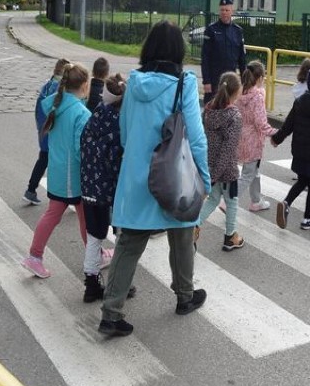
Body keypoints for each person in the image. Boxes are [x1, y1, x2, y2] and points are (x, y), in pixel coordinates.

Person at [99, 21, 210, 337]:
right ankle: (184, 296)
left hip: (137, 175)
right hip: (173, 174)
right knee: (182, 232)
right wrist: (204, 177)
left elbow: (123, 131)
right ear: (179, 51)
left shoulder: (133, 83)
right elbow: (196, 138)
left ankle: (111, 312)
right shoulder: (183, 85)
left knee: (129, 243)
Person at [21, 63, 91, 279]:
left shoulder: (55, 105)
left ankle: (35, 256)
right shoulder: (81, 112)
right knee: (78, 216)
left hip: (59, 170)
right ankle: (35, 257)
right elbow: (82, 148)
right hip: (74, 175)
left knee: (65, 215)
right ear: (85, 85)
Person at [80, 74, 128, 302]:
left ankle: (91, 283)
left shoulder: (95, 115)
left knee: (94, 236)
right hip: (113, 189)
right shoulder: (121, 123)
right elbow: (118, 159)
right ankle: (119, 285)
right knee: (121, 236)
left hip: (89, 186)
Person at [272, 67, 310, 231]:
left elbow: (288, 125)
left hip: (299, 151)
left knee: (302, 181)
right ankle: (307, 218)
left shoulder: (299, 102)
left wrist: (276, 138)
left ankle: (286, 203)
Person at [197, 71, 246, 251]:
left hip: (211, 164)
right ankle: (230, 236)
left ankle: (194, 225)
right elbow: (228, 149)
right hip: (226, 169)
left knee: (214, 198)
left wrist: (211, 174)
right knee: (232, 201)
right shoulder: (234, 116)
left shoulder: (209, 109)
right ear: (237, 92)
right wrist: (217, 175)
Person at [23, 58, 69, 205]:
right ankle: (62, 195)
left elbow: (38, 109)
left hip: (44, 131)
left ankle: (31, 189)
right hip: (54, 133)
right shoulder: (60, 90)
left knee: (43, 160)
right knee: (61, 163)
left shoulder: (47, 85)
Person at [235, 60, 277, 211]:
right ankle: (228, 202)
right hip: (253, 139)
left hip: (241, 136)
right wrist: (274, 133)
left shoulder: (240, 93)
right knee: (247, 174)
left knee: (254, 171)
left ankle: (256, 201)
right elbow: (260, 122)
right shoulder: (257, 96)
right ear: (259, 78)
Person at [201, 0, 246, 104]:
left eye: (227, 10)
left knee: (228, 110)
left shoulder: (237, 31)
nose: (224, 12)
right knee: (210, 111)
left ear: (232, 11)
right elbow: (205, 57)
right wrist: (206, 81)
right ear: (219, 11)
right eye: (222, 10)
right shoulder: (211, 30)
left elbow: (242, 59)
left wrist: (244, 82)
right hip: (214, 79)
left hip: (231, 80)